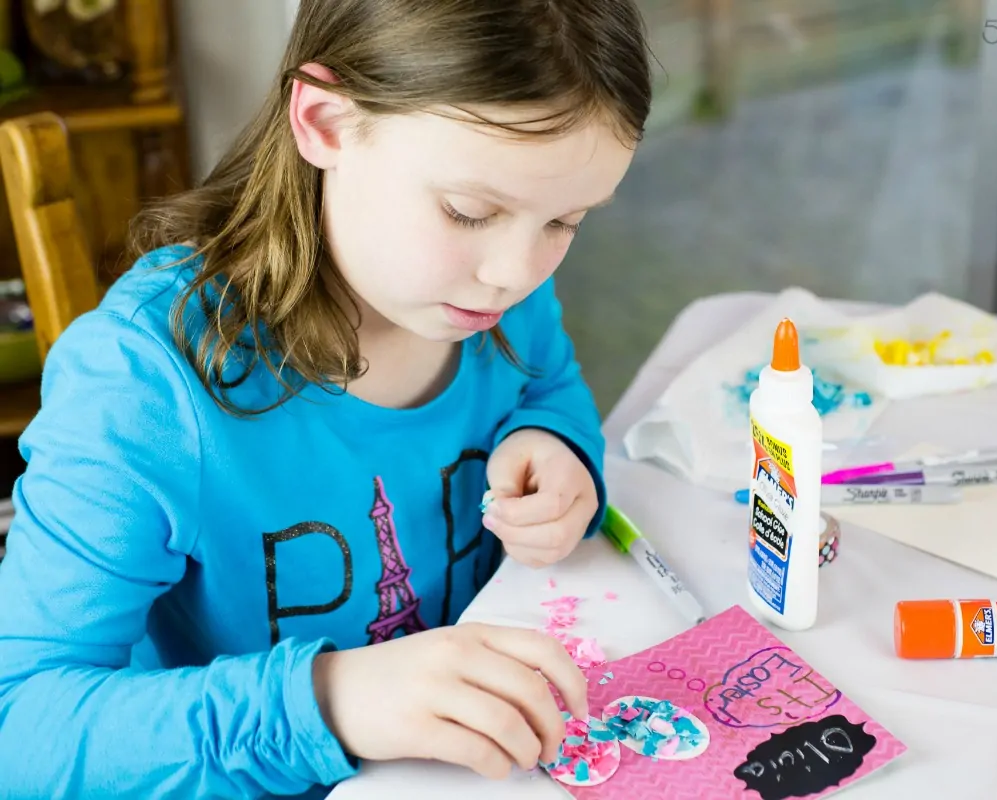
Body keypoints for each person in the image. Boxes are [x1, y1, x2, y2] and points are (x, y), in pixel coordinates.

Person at [0, 1, 652, 797]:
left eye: (566, 222)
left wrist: (555, 443)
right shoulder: (142, 384)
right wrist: (328, 702)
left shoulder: (489, 297)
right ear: (324, 122)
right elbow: (20, 727)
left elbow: (548, 385)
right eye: (468, 212)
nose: (516, 273)